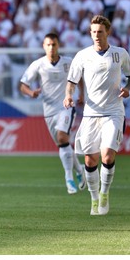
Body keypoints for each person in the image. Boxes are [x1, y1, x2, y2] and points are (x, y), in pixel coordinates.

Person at [63, 15, 130, 215]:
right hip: (90, 114)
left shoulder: (119, 54)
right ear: (90, 33)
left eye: (100, 32)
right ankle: (94, 198)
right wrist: (68, 95)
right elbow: (71, 80)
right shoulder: (82, 55)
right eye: (93, 32)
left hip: (113, 111)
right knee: (90, 160)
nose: (96, 35)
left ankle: (104, 193)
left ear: (108, 32)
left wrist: (128, 88)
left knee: (107, 154)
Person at [20, 32, 86, 195]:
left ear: (58, 45)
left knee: (63, 138)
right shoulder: (38, 64)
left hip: (66, 106)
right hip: (48, 111)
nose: (51, 47)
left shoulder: (68, 62)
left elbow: (79, 78)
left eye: (54, 44)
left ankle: (69, 178)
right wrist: (31, 93)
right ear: (44, 46)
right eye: (48, 44)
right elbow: (23, 85)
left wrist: (82, 94)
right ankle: (80, 171)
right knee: (62, 145)